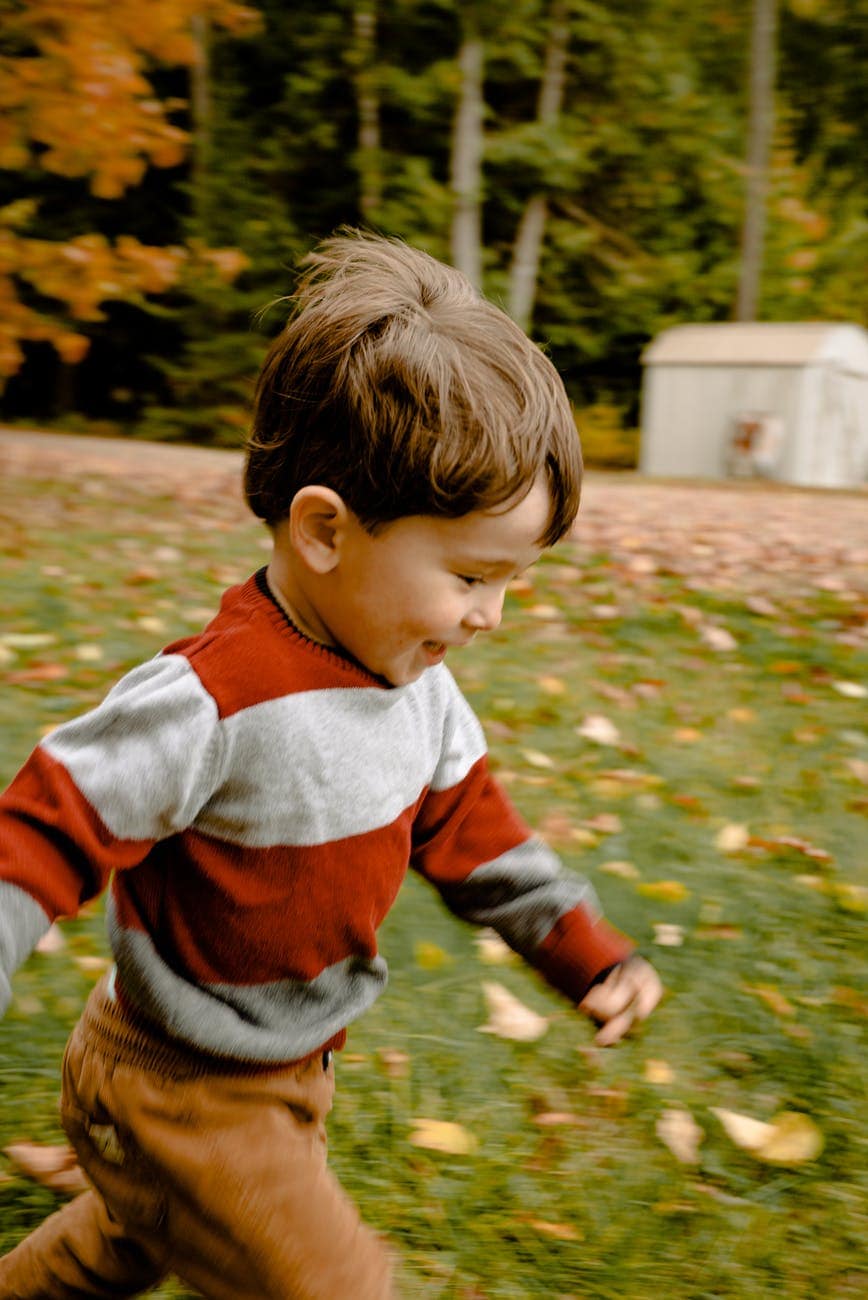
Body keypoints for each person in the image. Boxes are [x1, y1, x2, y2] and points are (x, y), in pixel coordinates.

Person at [0, 230, 662, 1299]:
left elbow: (475, 833)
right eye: (470, 575)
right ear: (324, 530)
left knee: (128, 1244)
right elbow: (47, 823)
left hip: (281, 1073)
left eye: (509, 583)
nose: (489, 616)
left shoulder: (419, 689)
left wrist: (584, 950)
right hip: (180, 1084)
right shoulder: (213, 699)